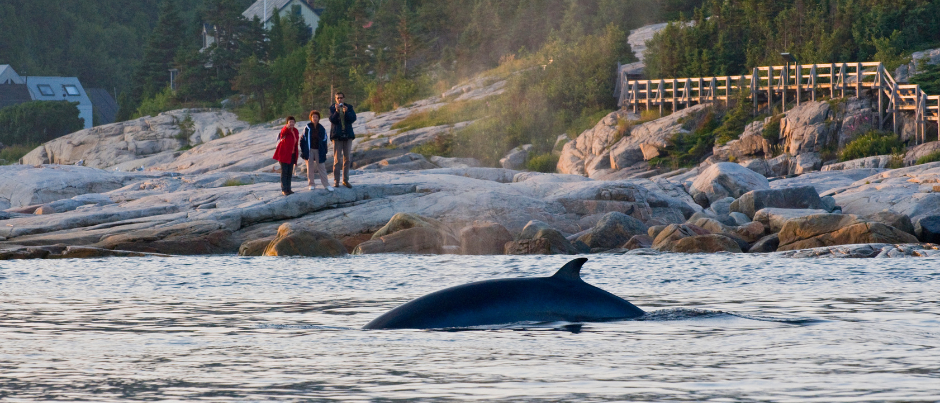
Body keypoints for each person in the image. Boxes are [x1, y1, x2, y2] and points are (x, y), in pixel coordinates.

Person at [300, 110, 333, 192]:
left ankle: (326, 185)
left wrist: (324, 151)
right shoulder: (307, 127)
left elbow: (325, 139)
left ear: (319, 118)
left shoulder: (321, 128)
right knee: (310, 168)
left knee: (322, 168)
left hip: (319, 150)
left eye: (316, 117)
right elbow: (302, 139)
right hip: (309, 150)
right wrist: (304, 151)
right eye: (313, 117)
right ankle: (311, 184)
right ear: (311, 118)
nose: (315, 118)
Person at [329, 92, 356, 188]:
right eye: (338, 98)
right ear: (335, 99)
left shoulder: (349, 107)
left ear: (344, 98)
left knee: (347, 159)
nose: (340, 100)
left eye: (341, 98)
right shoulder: (332, 108)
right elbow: (332, 120)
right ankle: (336, 181)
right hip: (337, 136)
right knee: (337, 160)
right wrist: (336, 111)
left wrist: (347, 112)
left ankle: (345, 180)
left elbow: (353, 119)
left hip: (347, 136)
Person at [272, 116, 300, 196]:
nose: (291, 123)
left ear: (295, 123)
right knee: (284, 172)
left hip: (292, 154)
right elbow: (282, 134)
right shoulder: (285, 130)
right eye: (290, 122)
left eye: (293, 122)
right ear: (287, 123)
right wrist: (286, 128)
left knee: (289, 172)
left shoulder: (295, 131)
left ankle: (289, 189)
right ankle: (284, 189)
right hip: (284, 154)